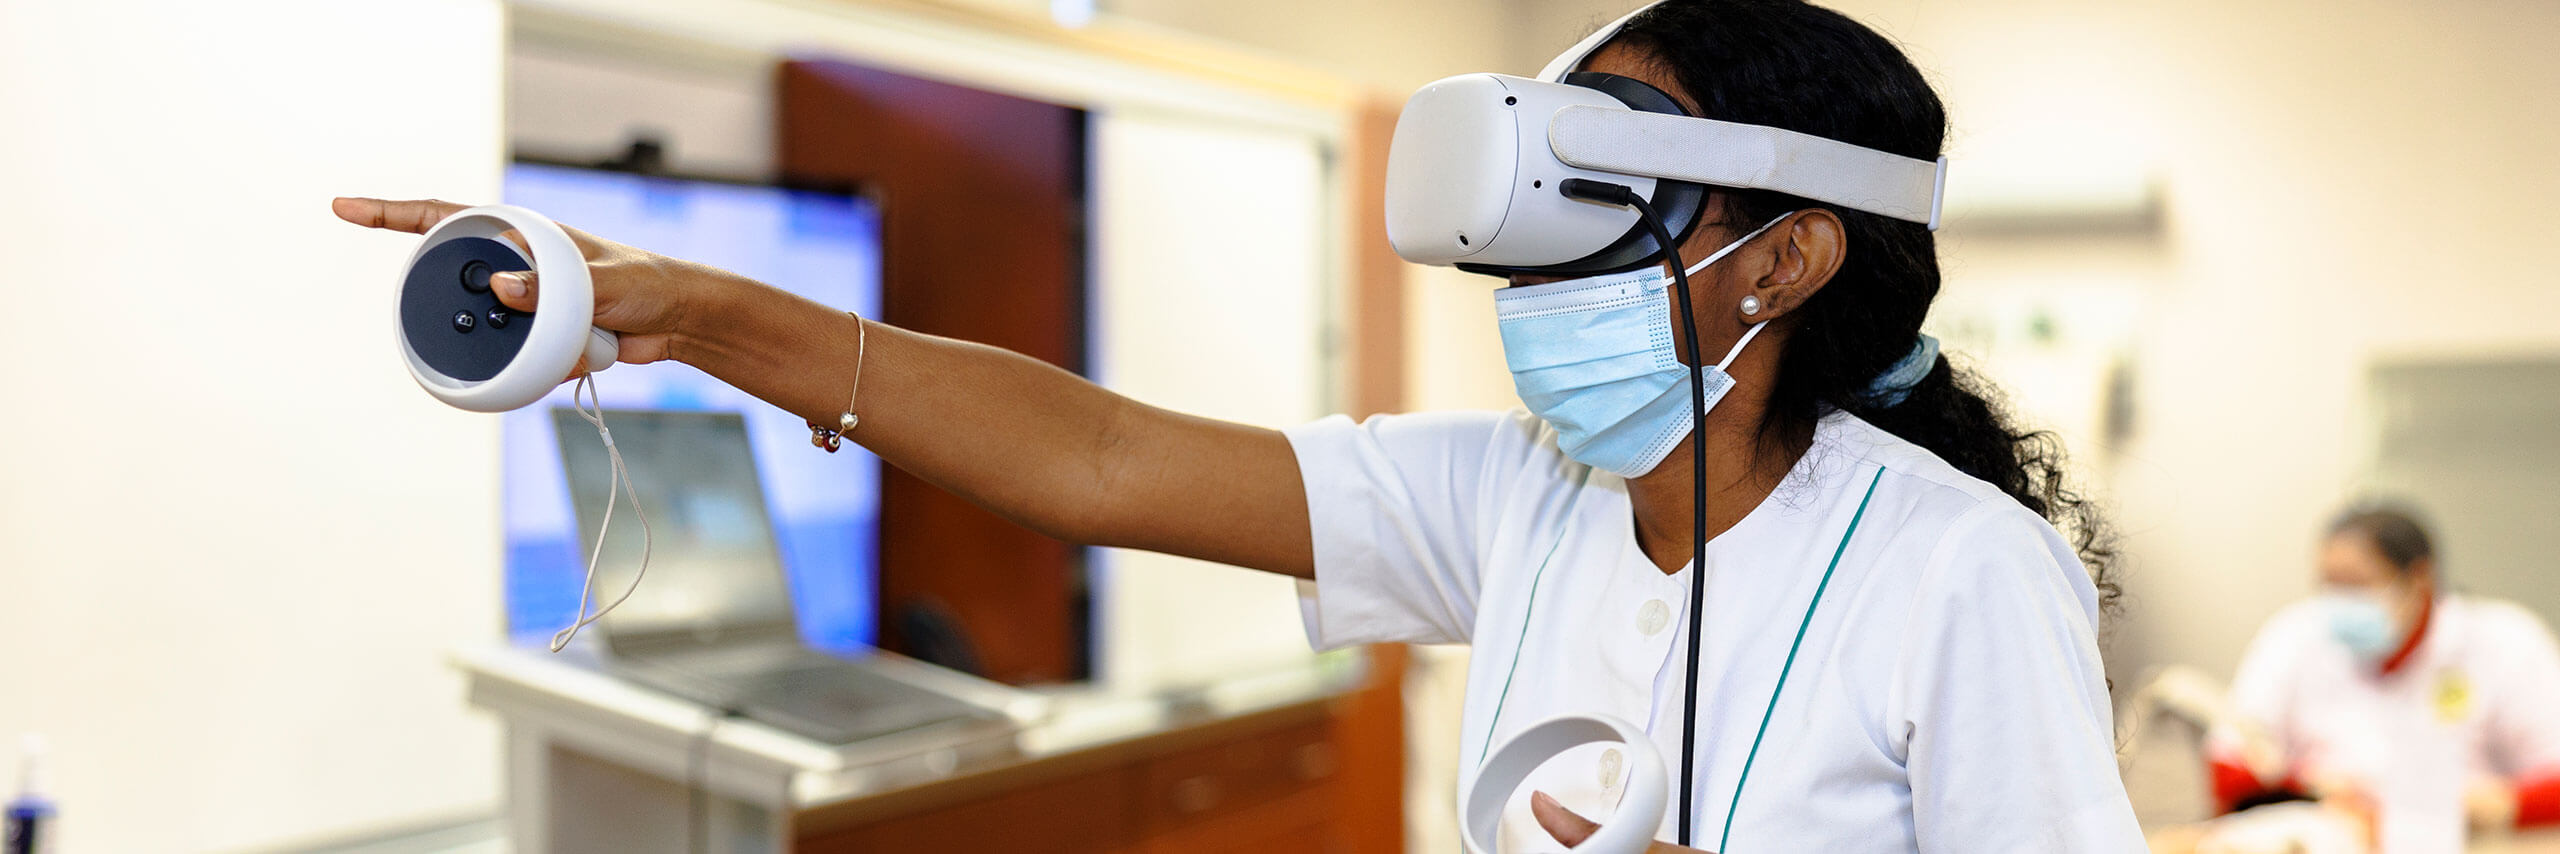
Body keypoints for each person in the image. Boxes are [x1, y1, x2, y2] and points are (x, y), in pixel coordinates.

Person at [338, 0, 2141, 849]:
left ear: (1790, 256)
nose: (1542, 279)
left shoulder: (1957, 570)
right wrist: (696, 307)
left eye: (1608, 212)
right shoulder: (1524, 493)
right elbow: (1100, 458)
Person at [2209, 503, 2560, 834]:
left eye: (2358, 585)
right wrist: (2309, 787)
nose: (2340, 601)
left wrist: (2498, 805)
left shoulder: (2505, 642)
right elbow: (2230, 766)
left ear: (2419, 578)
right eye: (2331, 583)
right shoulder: (2294, 637)